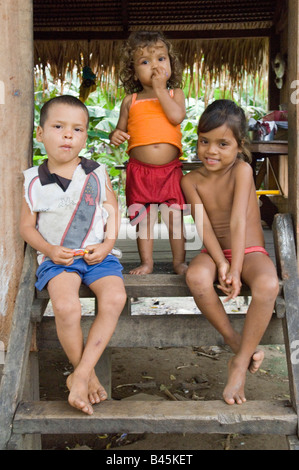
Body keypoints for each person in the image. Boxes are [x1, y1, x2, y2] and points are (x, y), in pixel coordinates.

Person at [20, 95, 127, 415]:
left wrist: (108, 245)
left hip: (98, 255)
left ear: (85, 136)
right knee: (66, 307)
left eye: (77, 129)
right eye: (58, 126)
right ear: (40, 133)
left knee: (115, 298)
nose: (68, 135)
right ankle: (86, 374)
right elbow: (27, 228)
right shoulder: (32, 181)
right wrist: (50, 249)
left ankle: (78, 375)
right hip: (58, 259)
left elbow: (112, 209)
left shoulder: (96, 171)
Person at [181, 99, 279, 405]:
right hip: (214, 251)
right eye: (204, 141)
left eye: (223, 143)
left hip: (249, 251)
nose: (211, 151)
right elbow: (204, 227)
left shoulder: (242, 170)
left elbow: (238, 221)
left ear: (239, 145)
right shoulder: (190, 180)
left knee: (268, 284)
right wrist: (221, 262)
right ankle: (237, 343)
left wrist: (235, 267)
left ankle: (239, 364)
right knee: (196, 277)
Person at [110, 31, 187, 275]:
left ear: (171, 65)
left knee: (175, 219)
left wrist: (160, 89)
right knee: (144, 219)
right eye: (145, 62)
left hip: (169, 171)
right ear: (134, 72)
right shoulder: (130, 100)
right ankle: (146, 262)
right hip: (139, 171)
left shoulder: (175, 94)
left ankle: (178, 262)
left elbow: (175, 117)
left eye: (161, 59)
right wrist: (116, 135)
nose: (154, 66)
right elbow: (120, 131)